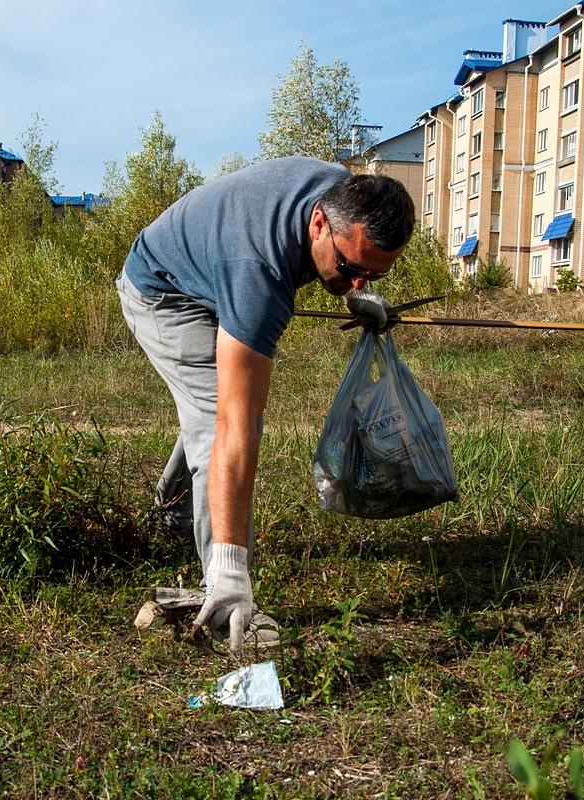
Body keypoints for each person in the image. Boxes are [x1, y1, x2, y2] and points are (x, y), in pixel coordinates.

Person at [116, 156, 416, 654]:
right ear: (318, 223)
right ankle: (223, 591)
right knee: (219, 417)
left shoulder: (347, 195)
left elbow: (343, 256)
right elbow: (235, 425)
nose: (360, 282)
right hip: (164, 290)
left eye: (373, 275)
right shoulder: (257, 271)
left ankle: (171, 511)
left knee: (212, 407)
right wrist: (233, 563)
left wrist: (351, 289)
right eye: (351, 269)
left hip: (214, 269)